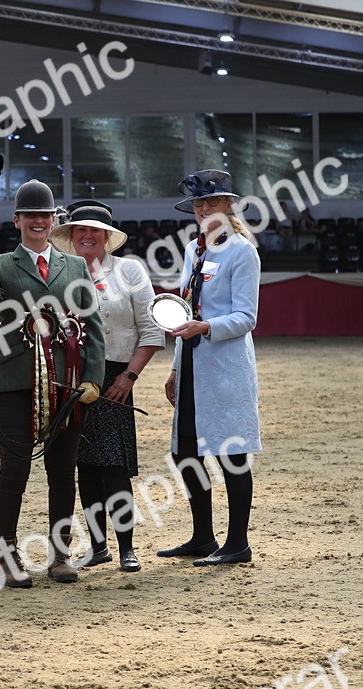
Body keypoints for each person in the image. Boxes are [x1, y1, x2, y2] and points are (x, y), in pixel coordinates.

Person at [0, 180, 105, 588]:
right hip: (15, 381)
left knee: (62, 471)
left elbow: (94, 328)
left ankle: (59, 554)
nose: (38, 221)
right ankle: (7, 557)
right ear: (16, 221)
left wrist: (93, 379)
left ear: (54, 221)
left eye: (45, 215)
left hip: (66, 384)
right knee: (13, 470)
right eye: (30, 215)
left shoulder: (77, 266)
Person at [48, 201, 165, 572]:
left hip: (116, 376)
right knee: (83, 466)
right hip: (72, 377)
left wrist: (128, 377)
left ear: (106, 238)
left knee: (113, 466)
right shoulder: (60, 272)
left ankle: (126, 546)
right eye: (79, 231)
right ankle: (98, 547)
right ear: (70, 236)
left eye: (93, 231)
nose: (86, 236)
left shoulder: (129, 270)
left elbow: (151, 329)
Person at [156, 169, 261, 566]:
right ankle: (202, 536)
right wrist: (175, 369)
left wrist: (207, 327)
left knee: (231, 453)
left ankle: (238, 543)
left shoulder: (241, 251)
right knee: (186, 452)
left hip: (225, 365)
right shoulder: (194, 250)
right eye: (199, 203)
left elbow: (247, 316)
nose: (203, 209)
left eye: (211, 202)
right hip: (192, 364)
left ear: (227, 205)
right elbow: (186, 309)